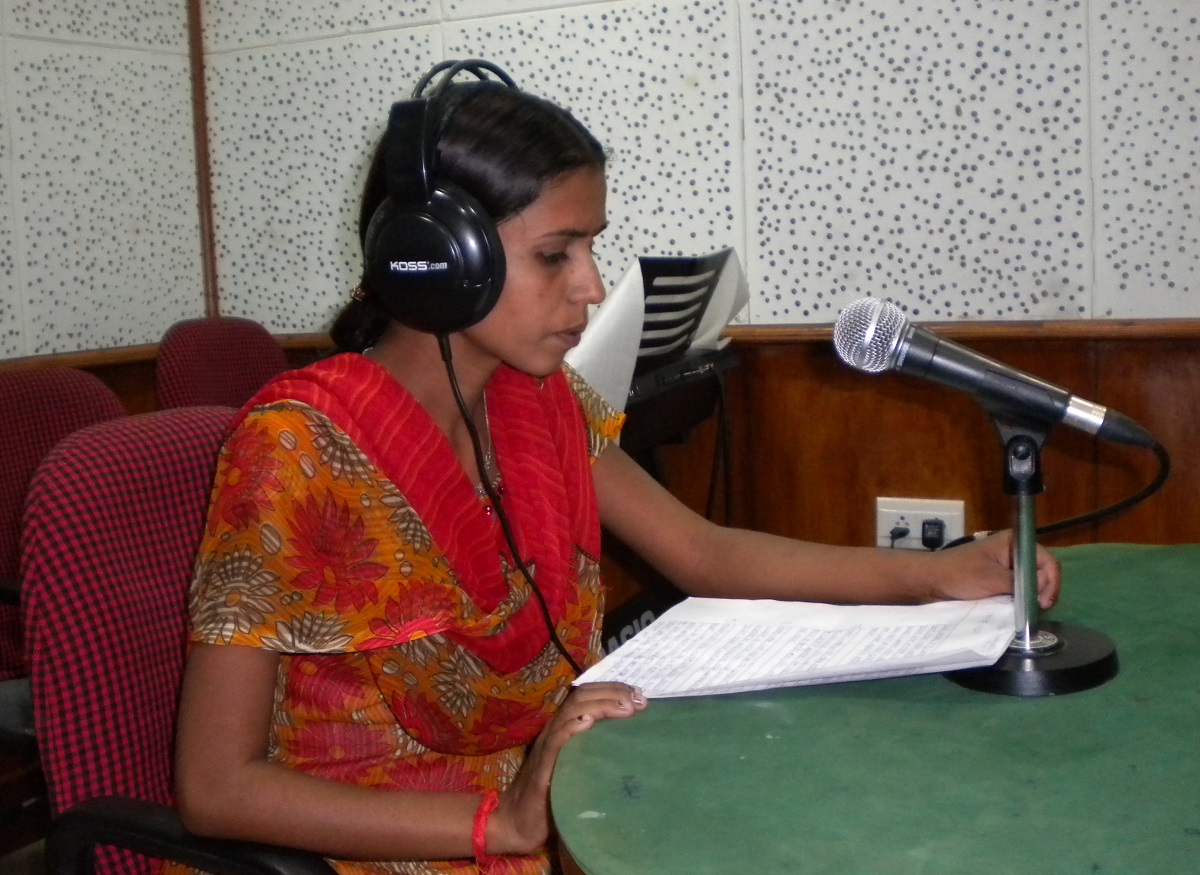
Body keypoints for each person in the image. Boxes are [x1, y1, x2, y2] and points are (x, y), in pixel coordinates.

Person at [173, 60, 1060, 875]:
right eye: (556, 254)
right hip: (380, 845)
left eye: (590, 247)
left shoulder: (538, 400)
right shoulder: (295, 447)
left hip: (559, 792)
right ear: (443, 261)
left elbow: (705, 553)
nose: (592, 285)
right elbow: (215, 790)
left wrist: (933, 576)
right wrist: (500, 823)